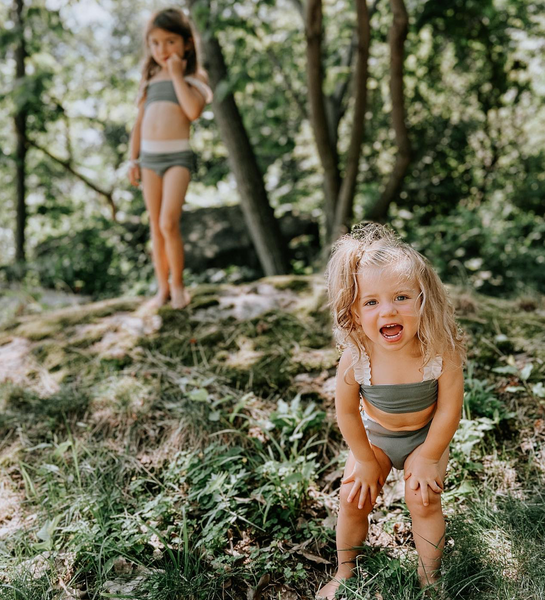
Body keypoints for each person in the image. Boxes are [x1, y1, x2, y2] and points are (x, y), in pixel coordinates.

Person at [317, 223, 465, 599]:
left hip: (424, 438)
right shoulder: (357, 357)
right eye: (371, 302)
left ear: (422, 300)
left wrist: (430, 455)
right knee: (353, 497)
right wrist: (365, 460)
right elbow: (348, 414)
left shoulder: (440, 350)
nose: (388, 310)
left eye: (401, 297)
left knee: (424, 498)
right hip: (377, 437)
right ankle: (345, 570)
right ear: (354, 310)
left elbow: (450, 409)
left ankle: (430, 577)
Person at [128, 8, 212, 309]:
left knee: (168, 222)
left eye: (170, 42)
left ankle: (178, 284)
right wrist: (132, 159)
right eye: (155, 43)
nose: (162, 50)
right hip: (148, 159)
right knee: (154, 225)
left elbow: (192, 111)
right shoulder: (149, 76)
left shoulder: (193, 76)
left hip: (177, 157)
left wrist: (177, 75)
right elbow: (139, 121)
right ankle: (161, 289)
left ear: (187, 43)